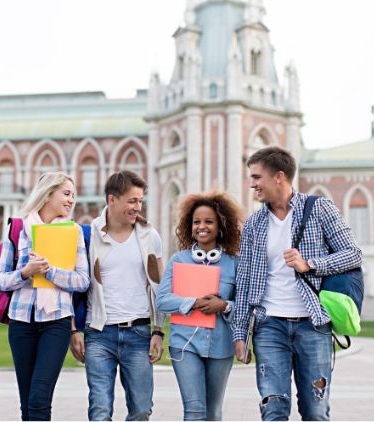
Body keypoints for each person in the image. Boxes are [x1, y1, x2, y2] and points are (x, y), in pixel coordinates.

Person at [232, 147, 362, 421]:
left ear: (279, 176)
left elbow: (353, 253)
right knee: (274, 408)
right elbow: (243, 282)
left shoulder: (319, 209)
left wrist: (310, 264)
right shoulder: (254, 223)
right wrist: (240, 333)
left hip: (313, 325)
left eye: (257, 176)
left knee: (315, 410)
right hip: (269, 327)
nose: (252, 183)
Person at [69, 170, 165, 421]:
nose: (137, 207)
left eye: (140, 201)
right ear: (112, 200)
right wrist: (73, 330)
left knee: (142, 410)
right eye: (132, 201)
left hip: (139, 333)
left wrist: (159, 330)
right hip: (99, 334)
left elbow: (160, 287)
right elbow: (72, 287)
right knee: (100, 409)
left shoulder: (150, 236)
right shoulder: (88, 237)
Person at [0, 171, 90, 421]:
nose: (71, 201)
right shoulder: (17, 230)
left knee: (39, 397)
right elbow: (1, 280)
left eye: (74, 196)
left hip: (56, 323)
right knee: (27, 403)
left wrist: (50, 272)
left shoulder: (73, 232)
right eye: (66, 194)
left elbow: (82, 280)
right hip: (21, 323)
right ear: (48, 194)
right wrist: (26, 272)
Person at [155, 191, 244, 421]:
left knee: (213, 413)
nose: (201, 227)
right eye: (196, 222)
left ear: (220, 226)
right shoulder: (178, 260)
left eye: (208, 221)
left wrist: (223, 305)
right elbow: (162, 300)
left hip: (221, 346)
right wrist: (193, 302)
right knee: (194, 411)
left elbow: (244, 306)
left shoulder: (234, 263)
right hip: (184, 345)